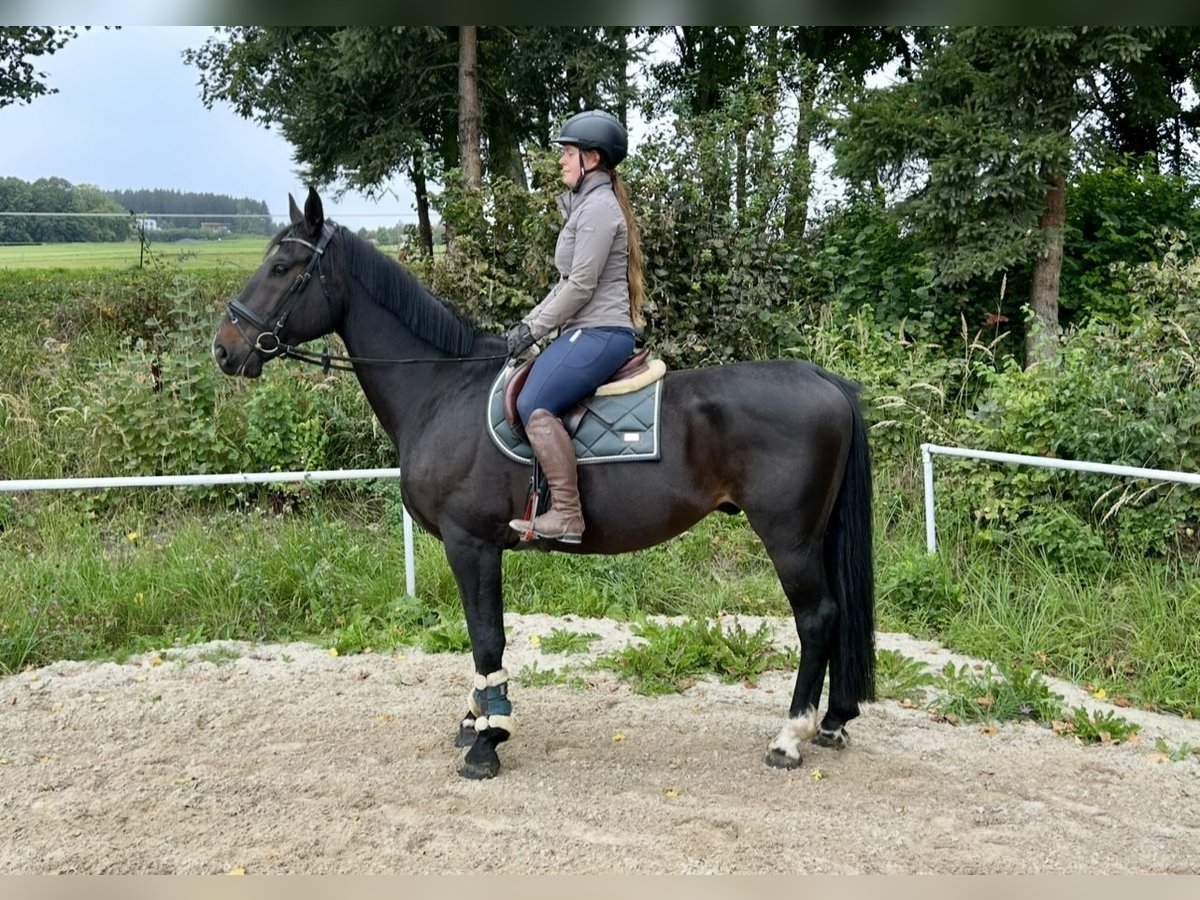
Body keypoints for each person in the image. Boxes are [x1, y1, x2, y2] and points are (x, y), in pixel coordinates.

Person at [505, 109, 646, 543]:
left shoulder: (599, 210)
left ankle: (567, 512)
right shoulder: (586, 206)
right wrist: (529, 325)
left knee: (533, 402)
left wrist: (532, 329)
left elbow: (581, 286)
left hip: (601, 332)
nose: (561, 160)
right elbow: (566, 284)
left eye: (568, 153)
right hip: (585, 330)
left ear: (592, 158)